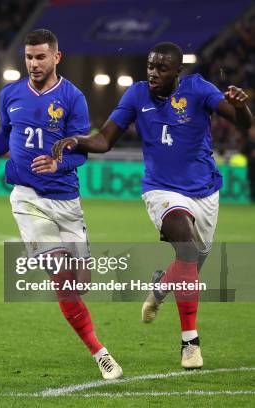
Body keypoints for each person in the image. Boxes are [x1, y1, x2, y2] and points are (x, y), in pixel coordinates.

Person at [50, 42, 252, 369]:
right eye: (150, 66)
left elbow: (242, 122)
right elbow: (104, 140)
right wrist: (79, 140)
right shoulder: (136, 95)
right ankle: (190, 343)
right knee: (186, 250)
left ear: (177, 72)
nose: (153, 73)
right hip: (161, 191)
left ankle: (161, 286)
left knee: (191, 263)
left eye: (161, 68)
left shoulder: (199, 88)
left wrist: (241, 107)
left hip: (204, 191)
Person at [0, 29, 123, 380]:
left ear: (57, 57)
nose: (34, 64)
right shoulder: (10, 93)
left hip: (66, 200)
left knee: (80, 283)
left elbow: (82, 154)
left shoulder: (73, 98)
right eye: (28, 57)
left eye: (40, 57)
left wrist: (60, 163)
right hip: (27, 197)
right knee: (63, 278)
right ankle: (100, 352)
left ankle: (86, 319)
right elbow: (5, 133)